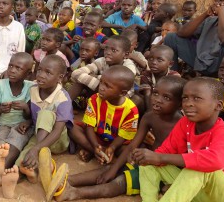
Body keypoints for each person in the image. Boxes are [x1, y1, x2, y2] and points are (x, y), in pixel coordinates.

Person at [48, 76, 186, 201]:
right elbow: (132, 146)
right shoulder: (149, 117)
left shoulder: (183, 124)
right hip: (147, 162)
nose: (157, 99)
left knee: (119, 183)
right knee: (110, 169)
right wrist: (113, 170)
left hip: (164, 171)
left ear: (180, 104)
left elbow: (185, 159)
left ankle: (73, 193)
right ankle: (66, 180)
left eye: (166, 97)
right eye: (155, 93)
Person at [136, 78, 224, 202]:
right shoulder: (186, 123)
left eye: (197, 98)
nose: (188, 103)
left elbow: (214, 161)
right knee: (148, 163)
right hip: (200, 191)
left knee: (201, 168)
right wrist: (150, 157)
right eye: (185, 98)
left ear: (218, 105)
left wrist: (159, 157)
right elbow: (166, 150)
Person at [7, 55, 73, 198]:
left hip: (56, 141)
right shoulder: (34, 89)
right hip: (39, 137)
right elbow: (33, 114)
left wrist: (37, 148)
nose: (41, 75)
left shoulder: (62, 98)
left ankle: (42, 159)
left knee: (45, 114)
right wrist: (28, 121)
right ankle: (25, 172)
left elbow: (57, 131)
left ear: (60, 77)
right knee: (23, 156)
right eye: (40, 70)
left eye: (48, 73)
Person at [0, 52, 35, 199]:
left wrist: (25, 108)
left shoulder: (31, 87)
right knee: (0, 142)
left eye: (18, 68)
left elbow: (31, 116)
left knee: (16, 139)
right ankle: (0, 170)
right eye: (11, 66)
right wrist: (0, 109)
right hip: (3, 124)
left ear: (28, 73)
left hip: (22, 125)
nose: (12, 70)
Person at [69, 65, 138, 164]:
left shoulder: (131, 110)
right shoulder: (94, 99)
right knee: (71, 127)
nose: (101, 88)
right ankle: (98, 152)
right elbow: (89, 126)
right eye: (101, 82)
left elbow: (123, 137)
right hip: (96, 137)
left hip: (117, 143)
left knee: (129, 154)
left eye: (107, 86)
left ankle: (103, 153)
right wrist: (95, 146)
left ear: (122, 93)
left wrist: (112, 147)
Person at [165, 0, 224, 76]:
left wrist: (221, 13)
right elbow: (181, 33)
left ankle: (221, 83)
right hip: (199, 60)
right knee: (171, 38)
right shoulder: (211, 19)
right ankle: (172, 76)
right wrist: (206, 14)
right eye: (222, 0)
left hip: (219, 66)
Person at [69, 35, 136, 101]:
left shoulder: (129, 67)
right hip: (102, 89)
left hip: (119, 96)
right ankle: (64, 106)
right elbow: (76, 73)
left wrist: (96, 76)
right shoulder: (101, 61)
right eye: (106, 48)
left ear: (126, 54)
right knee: (79, 83)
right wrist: (100, 82)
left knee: (136, 100)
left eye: (114, 50)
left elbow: (115, 84)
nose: (108, 52)